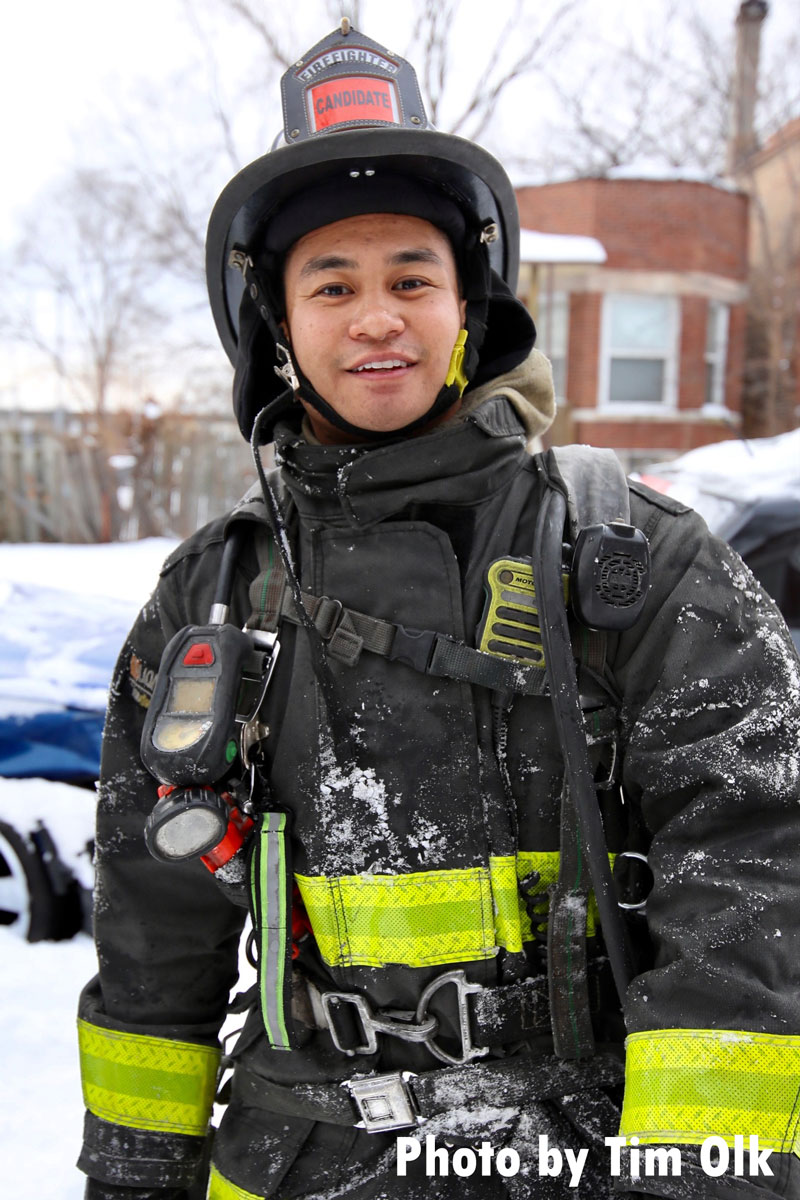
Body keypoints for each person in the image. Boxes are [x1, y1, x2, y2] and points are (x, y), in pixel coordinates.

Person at [77, 23, 800, 1200]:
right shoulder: (210, 597)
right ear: (275, 325)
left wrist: (689, 1172)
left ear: (469, 305)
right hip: (295, 1161)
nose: (376, 318)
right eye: (333, 284)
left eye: (412, 278)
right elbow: (152, 934)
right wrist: (131, 1176)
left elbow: (761, 863)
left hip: (581, 1159)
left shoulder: (631, 558)